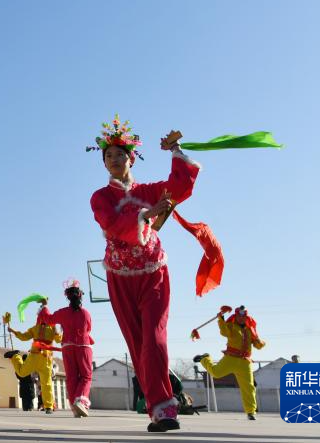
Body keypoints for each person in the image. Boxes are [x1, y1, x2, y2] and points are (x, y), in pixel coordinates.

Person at [89, 119, 199, 432]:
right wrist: (147, 214)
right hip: (120, 277)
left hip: (153, 273)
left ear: (131, 159)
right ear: (104, 163)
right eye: (108, 156)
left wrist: (176, 150)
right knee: (138, 344)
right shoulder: (100, 197)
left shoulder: (149, 191)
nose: (114, 159)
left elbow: (181, 187)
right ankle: (157, 407)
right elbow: (112, 225)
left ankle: (166, 408)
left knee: (154, 338)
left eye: (119, 155)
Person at [194, 305, 266, 420]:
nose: (241, 318)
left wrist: (260, 341)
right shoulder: (231, 326)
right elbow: (224, 332)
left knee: (249, 387)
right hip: (231, 358)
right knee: (216, 373)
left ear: (247, 317)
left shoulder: (250, 330)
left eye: (244, 316)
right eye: (239, 316)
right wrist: (221, 319)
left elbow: (259, 346)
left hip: (245, 362)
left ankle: (250, 412)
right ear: (235, 316)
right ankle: (205, 359)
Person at [42, 280, 94, 417]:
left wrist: (44, 306)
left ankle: (74, 407)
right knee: (86, 376)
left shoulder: (63, 312)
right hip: (83, 345)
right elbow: (88, 329)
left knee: (71, 377)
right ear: (80, 295)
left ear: (68, 297)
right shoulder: (86, 313)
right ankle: (81, 401)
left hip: (67, 346)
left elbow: (48, 319)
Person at [5, 303, 61, 414]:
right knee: (23, 373)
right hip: (35, 356)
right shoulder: (36, 328)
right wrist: (13, 331)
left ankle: (48, 406)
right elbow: (24, 336)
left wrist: (58, 332)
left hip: (45, 359)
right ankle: (15, 356)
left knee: (46, 383)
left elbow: (59, 340)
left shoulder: (52, 328)